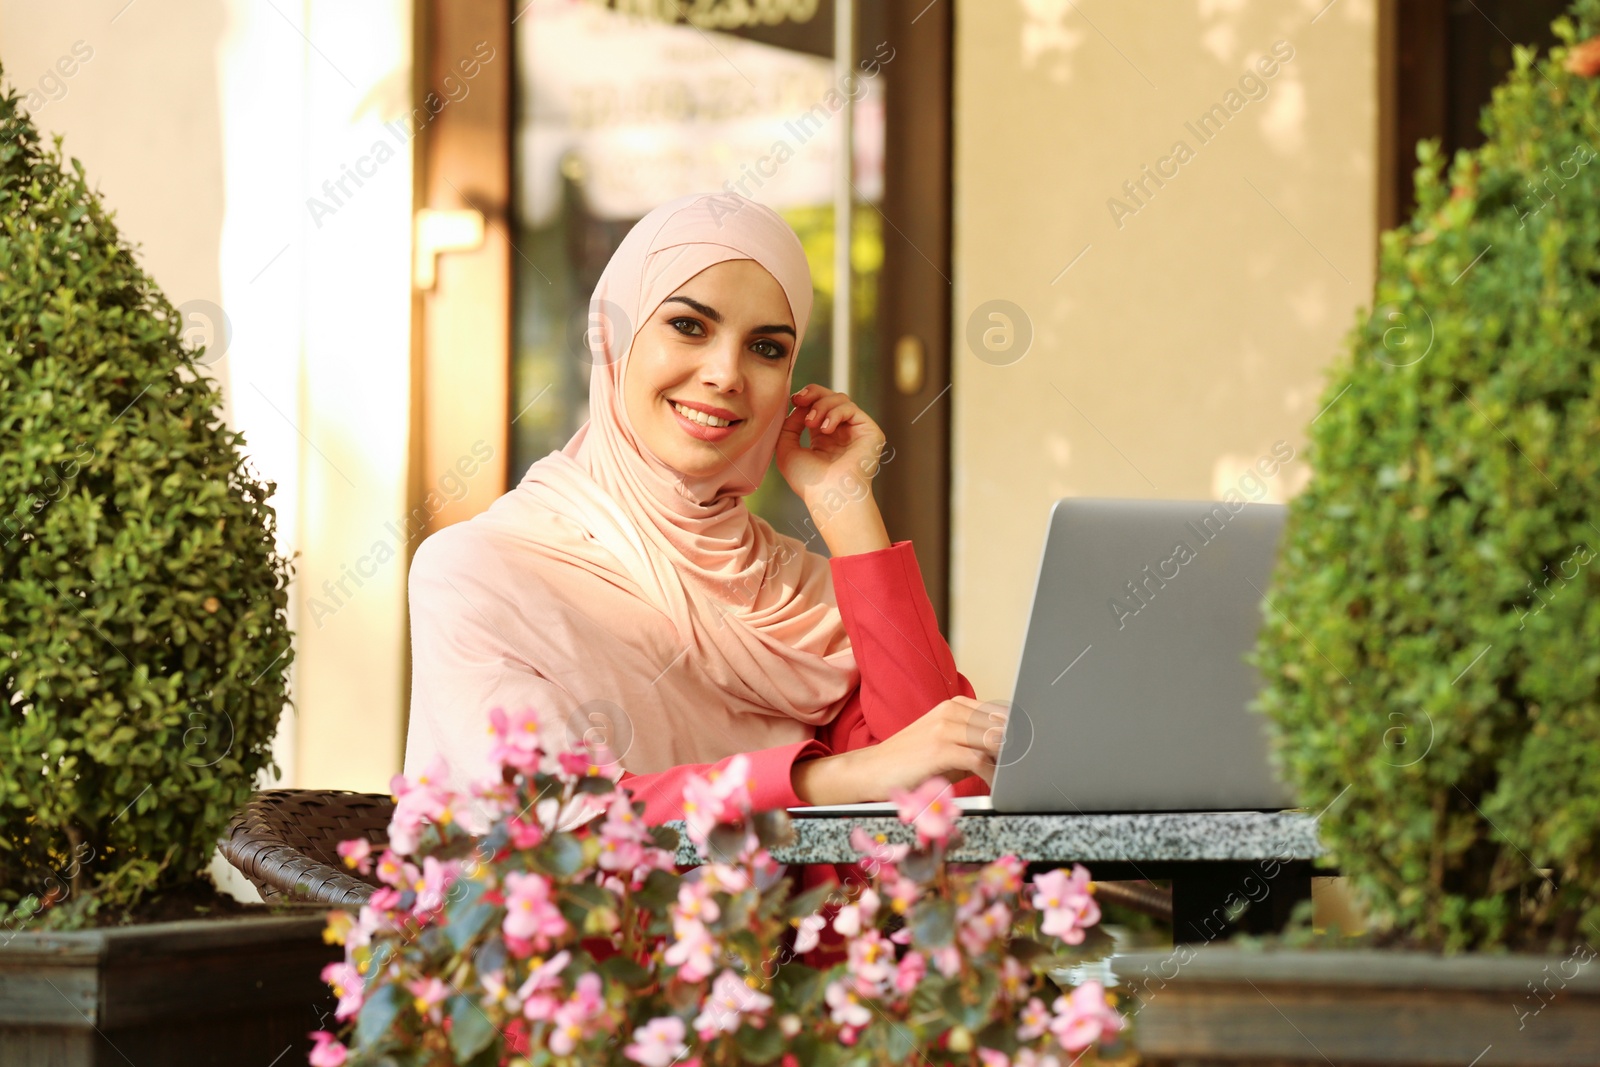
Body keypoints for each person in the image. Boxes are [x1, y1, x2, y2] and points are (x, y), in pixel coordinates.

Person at [403, 191, 1005, 836]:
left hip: (789, 938)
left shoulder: (802, 599)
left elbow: (952, 794)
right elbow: (566, 826)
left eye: (767, 348)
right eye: (689, 325)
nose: (725, 373)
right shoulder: (479, 573)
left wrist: (848, 507)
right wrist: (831, 778)